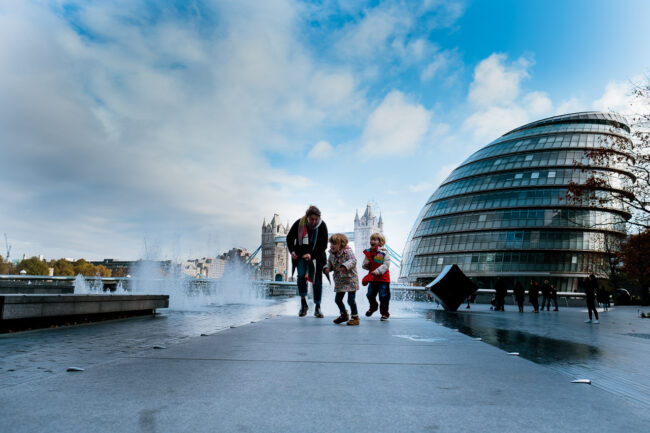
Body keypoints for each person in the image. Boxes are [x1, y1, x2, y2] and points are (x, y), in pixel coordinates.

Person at [287, 205, 328, 318]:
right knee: (300, 277)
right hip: (300, 255)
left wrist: (311, 254)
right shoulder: (299, 223)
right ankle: (303, 303)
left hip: (316, 256)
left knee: (317, 281)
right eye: (311, 219)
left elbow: (323, 245)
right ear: (307, 217)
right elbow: (289, 238)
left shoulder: (322, 226)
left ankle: (318, 307)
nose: (314, 222)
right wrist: (293, 251)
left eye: (316, 219)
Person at [323, 233, 360, 326]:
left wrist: (345, 266)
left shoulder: (348, 252)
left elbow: (353, 261)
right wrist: (326, 268)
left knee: (350, 300)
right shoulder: (331, 254)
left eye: (334, 244)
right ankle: (344, 315)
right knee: (338, 300)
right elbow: (329, 264)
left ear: (341, 245)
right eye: (331, 243)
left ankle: (355, 317)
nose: (331, 246)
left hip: (351, 280)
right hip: (340, 281)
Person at [362, 233, 391, 321]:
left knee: (383, 296)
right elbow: (364, 265)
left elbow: (386, 265)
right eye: (371, 239)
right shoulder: (368, 253)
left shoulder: (384, 252)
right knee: (370, 295)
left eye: (375, 240)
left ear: (380, 242)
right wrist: (366, 265)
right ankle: (373, 307)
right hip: (373, 278)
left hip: (383, 279)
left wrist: (377, 271)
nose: (372, 241)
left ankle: (384, 313)